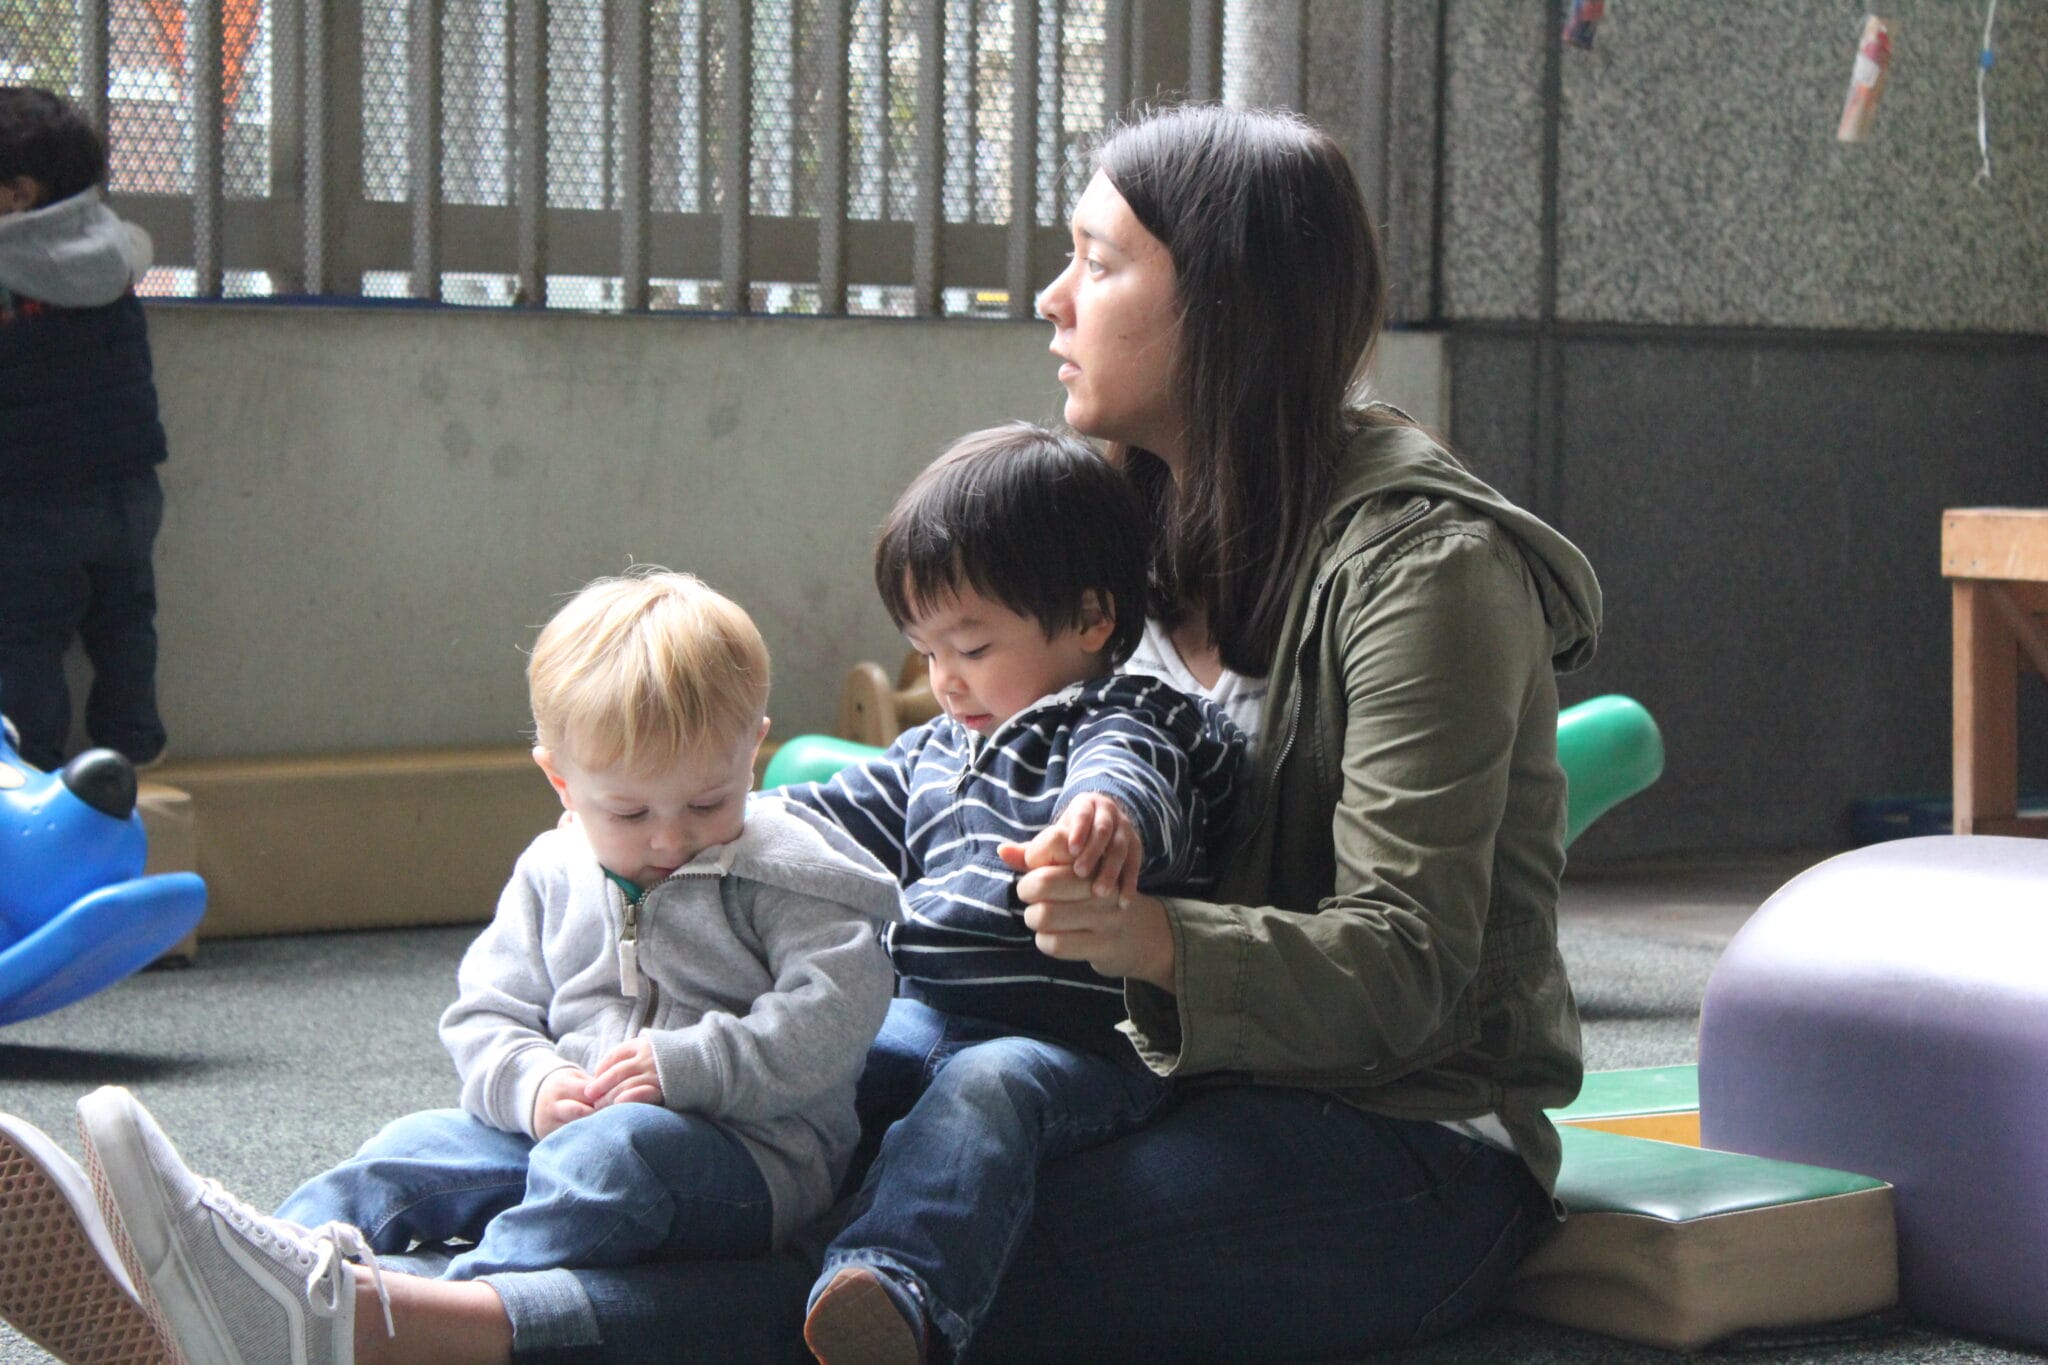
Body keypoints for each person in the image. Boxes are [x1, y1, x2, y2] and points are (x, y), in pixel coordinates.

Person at [0, 102, 1601, 1364]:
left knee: (920, 1250)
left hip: (1401, 1148)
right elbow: (939, 774)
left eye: (1098, 262)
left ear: (1228, 304)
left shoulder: (1429, 574)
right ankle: (260, 1245)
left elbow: (1416, 968)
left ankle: (382, 1330)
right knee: (778, 1122)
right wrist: (692, 829)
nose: (1051, 297)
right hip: (1136, 1071)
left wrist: (1155, 939)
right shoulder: (1127, 532)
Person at [76, 569, 903, 1360]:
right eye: (629, 809)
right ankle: (247, 1269)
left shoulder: (787, 869)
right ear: (560, 778)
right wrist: (533, 1083)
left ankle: (408, 1321)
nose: (668, 838)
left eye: (706, 801)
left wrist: (691, 1065)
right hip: (563, 1121)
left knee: (611, 1162)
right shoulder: (552, 869)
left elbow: (838, 1010)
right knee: (409, 1148)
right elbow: (485, 1014)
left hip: (750, 1159)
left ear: (753, 752)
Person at [777, 423, 1245, 1362]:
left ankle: (896, 1288)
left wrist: (1101, 820)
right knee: (839, 1059)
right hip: (928, 1008)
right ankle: (736, 1215)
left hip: (1079, 1046)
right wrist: (703, 820)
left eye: (973, 646)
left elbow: (1130, 777)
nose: (944, 681)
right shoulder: (932, 750)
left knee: (985, 1091)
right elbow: (816, 818)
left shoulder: (1131, 715)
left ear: (1090, 619)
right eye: (925, 651)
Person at [0, 86, 170, 771]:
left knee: (25, 636)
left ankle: (28, 767)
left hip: (32, 496)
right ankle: (132, 751)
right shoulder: (114, 248)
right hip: (130, 489)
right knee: (126, 622)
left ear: (17, 193)